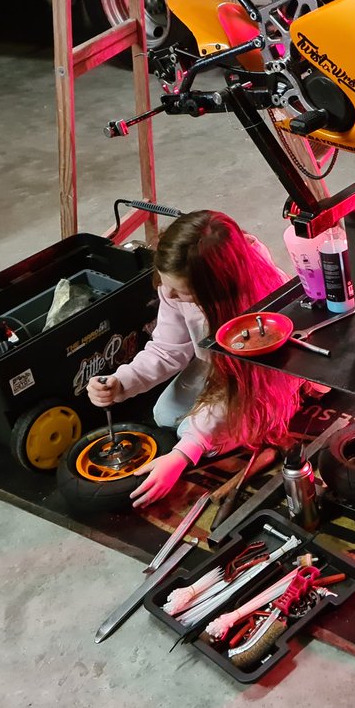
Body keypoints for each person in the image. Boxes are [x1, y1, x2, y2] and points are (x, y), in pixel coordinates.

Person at [87, 210, 303, 508]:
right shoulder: (176, 287)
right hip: (220, 361)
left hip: (266, 375)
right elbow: (167, 348)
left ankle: (295, 399)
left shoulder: (261, 307)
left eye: (183, 293)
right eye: (166, 285)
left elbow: (243, 385)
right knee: (166, 416)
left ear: (217, 290)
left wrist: (183, 453)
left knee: (197, 440)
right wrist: (121, 381)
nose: (170, 296)